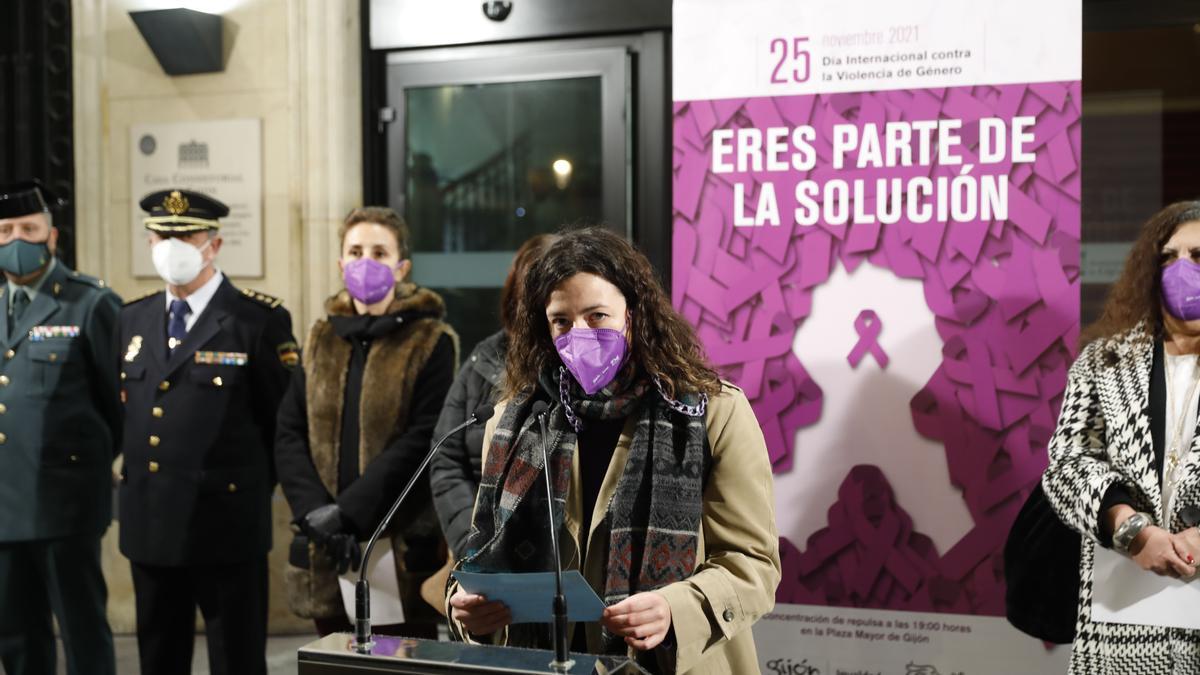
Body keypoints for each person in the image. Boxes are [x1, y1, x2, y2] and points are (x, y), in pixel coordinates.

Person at [447, 227, 780, 673]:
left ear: (634, 314)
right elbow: (480, 554)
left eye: (597, 316)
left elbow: (753, 565)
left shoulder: (712, 411)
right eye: (561, 321)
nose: (578, 333)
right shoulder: (516, 421)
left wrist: (675, 608)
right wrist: (466, 608)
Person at [119, 189, 297, 675]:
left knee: (236, 659)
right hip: (150, 524)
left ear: (213, 245)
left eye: (186, 235)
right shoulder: (131, 319)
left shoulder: (257, 321)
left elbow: (281, 425)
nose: (172, 246)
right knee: (159, 658)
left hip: (226, 526)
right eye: (162, 236)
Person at [276, 206, 457, 638]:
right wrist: (316, 514)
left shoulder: (430, 341)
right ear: (341, 264)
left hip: (396, 540)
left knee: (400, 660)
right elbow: (289, 431)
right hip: (327, 542)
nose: (366, 262)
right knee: (333, 659)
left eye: (379, 252)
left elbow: (422, 439)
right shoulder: (321, 338)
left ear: (401, 267)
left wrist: (347, 513)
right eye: (355, 251)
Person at [1044, 200, 1200, 675]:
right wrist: (1132, 531)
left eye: (1198, 256)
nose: (1181, 270)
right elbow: (1067, 465)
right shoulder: (1104, 362)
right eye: (1167, 257)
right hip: (1126, 628)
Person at [0, 180, 120, 675]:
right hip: (4, 507)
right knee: (17, 637)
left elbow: (119, 405)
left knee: (82, 629)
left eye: (28, 228)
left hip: (65, 506)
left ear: (52, 235)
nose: (16, 240)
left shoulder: (91, 303)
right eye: (5, 231)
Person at [430, 233, 559, 560]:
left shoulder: (583, 367)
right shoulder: (484, 360)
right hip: (481, 557)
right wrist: (471, 544)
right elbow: (445, 458)